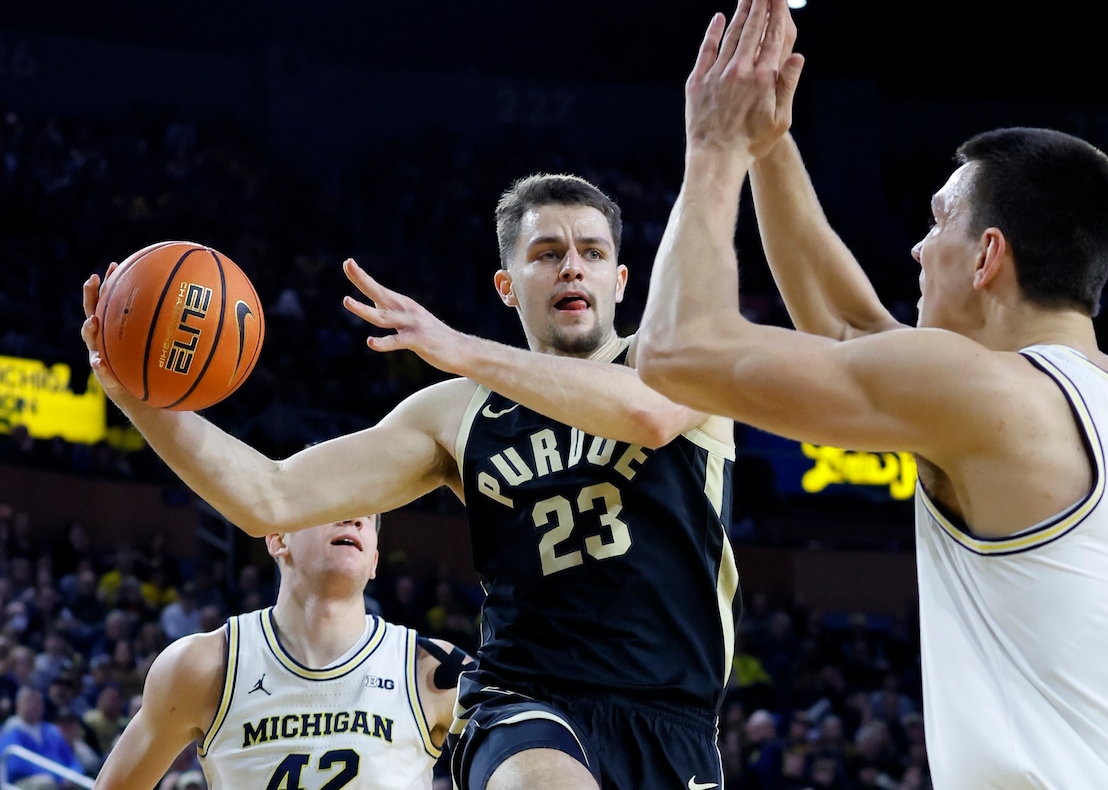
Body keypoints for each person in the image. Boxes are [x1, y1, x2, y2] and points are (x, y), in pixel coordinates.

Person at [633, 0, 1108, 788]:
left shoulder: (994, 395)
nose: (916, 249)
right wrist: (769, 143)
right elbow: (850, 334)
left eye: (939, 221)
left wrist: (714, 147)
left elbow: (676, 350)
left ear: (987, 257)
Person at [81, 172, 739, 790]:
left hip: (672, 715)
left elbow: (647, 415)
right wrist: (142, 399)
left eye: (592, 252)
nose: (572, 265)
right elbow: (270, 497)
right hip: (526, 701)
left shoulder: (679, 359)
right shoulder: (457, 413)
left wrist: (461, 348)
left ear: (620, 281)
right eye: (546, 253)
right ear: (508, 286)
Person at [93, 515, 472, 790]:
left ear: (374, 559)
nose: (354, 517)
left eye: (368, 514)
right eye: (332, 501)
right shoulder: (203, 665)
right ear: (277, 537)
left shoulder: (437, 671)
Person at [0, 685, 85, 789]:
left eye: (38, 702)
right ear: (18, 704)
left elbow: (71, 759)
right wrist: (58, 777)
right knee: (45, 783)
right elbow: (16, 766)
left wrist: (73, 775)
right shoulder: (10, 731)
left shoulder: (52, 731)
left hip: (61, 781)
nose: (35, 705)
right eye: (30, 701)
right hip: (25, 783)